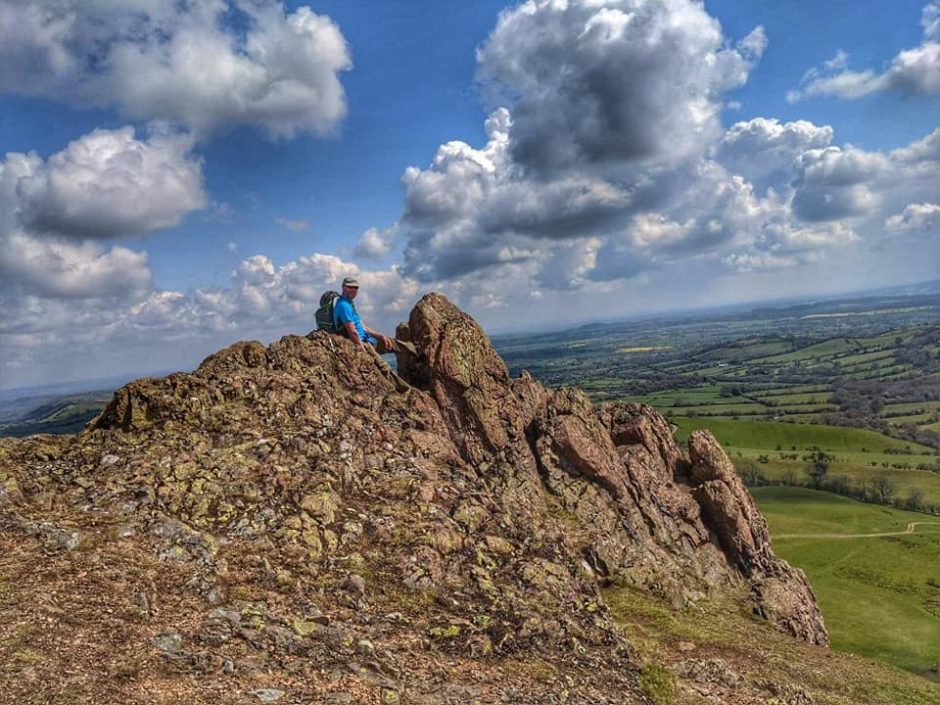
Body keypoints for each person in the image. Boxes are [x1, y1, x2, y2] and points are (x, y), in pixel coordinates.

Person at [333, 277, 414, 355]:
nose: (353, 290)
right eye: (350, 287)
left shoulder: (349, 303)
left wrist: (380, 335)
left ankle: (415, 352)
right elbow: (352, 331)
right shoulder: (344, 305)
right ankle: (416, 352)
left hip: (369, 340)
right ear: (343, 288)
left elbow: (362, 326)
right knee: (388, 363)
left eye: (356, 288)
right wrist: (363, 351)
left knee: (394, 343)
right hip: (363, 344)